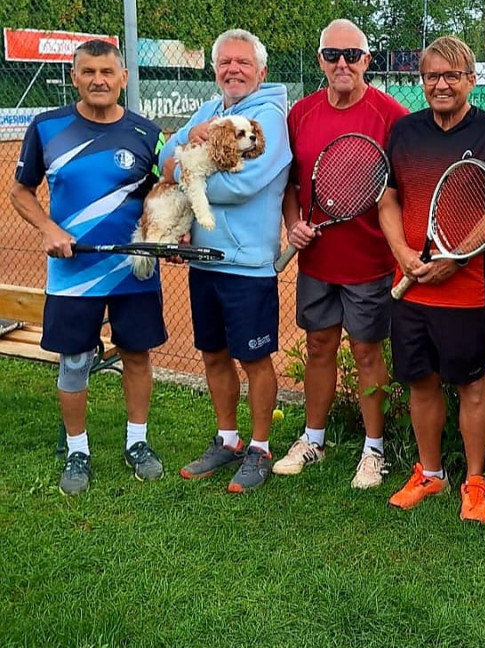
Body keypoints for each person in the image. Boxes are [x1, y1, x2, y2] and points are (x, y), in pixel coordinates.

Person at [10, 40, 167, 495]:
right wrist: (48, 229)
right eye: (88, 72)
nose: (98, 80)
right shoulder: (47, 127)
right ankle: (77, 449)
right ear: (74, 77)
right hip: (72, 273)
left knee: (137, 356)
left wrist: (165, 233)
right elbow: (21, 192)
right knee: (75, 360)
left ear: (123, 78)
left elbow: (166, 190)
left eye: (107, 72)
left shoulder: (147, 133)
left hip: (133, 272)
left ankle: (137, 443)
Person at [378, 35, 485, 524]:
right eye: (432, 76)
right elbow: (389, 197)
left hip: (467, 287)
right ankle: (431, 473)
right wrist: (402, 252)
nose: (441, 84)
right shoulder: (403, 132)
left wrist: (456, 258)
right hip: (411, 284)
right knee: (421, 382)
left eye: (452, 76)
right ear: (422, 82)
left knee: (471, 385)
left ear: (470, 81)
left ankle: (475, 483)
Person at [274, 19, 408, 488]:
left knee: (368, 351)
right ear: (320, 61)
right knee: (318, 346)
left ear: (367, 60)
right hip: (317, 262)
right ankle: (313, 438)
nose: (343, 64)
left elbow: (403, 189)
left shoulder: (391, 115)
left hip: (370, 262)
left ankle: (375, 450)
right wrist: (293, 224)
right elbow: (290, 186)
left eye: (352, 54)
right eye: (332, 55)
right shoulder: (301, 115)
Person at [160, 29, 292, 493]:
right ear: (215, 69)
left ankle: (259, 447)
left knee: (254, 359)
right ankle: (228, 439)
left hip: (246, 264)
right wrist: (179, 166)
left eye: (242, 62)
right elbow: (164, 155)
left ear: (261, 70)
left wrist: (184, 176)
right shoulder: (208, 111)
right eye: (225, 62)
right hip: (204, 260)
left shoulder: (270, 119)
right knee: (213, 354)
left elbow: (243, 184)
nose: (232, 69)